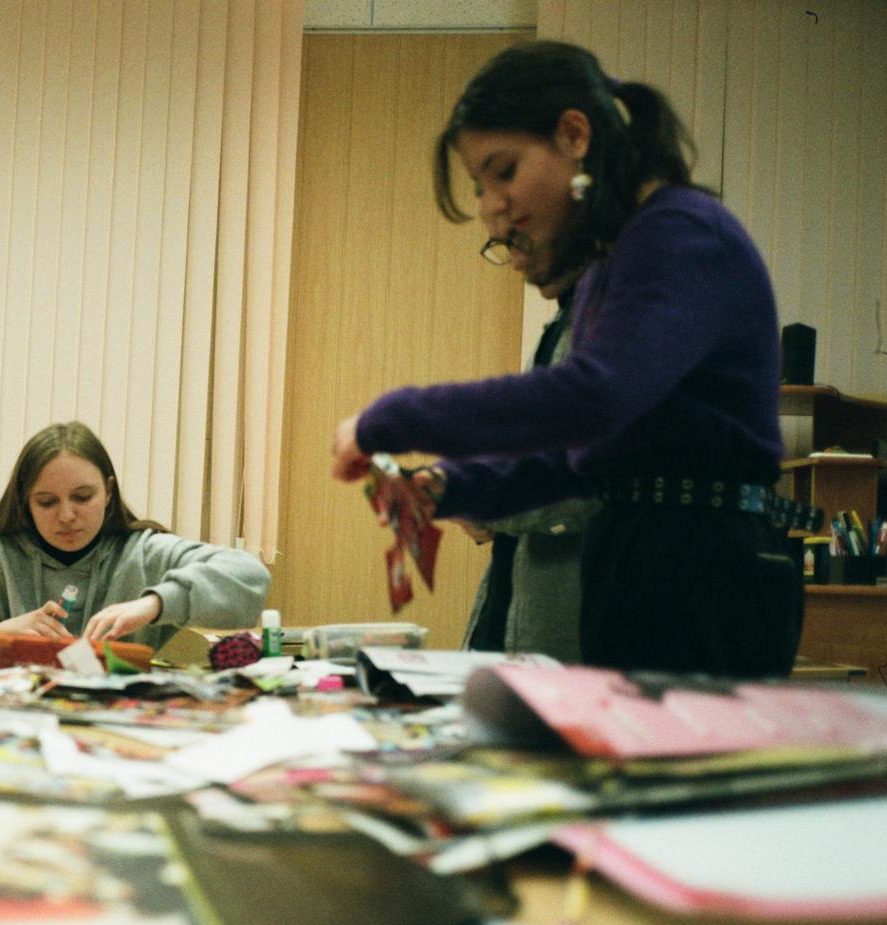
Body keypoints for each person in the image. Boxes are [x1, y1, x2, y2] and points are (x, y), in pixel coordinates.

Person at [330, 40, 814, 678]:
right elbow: (586, 463)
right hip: (644, 558)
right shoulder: (618, 259)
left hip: (702, 569)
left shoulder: (680, 231)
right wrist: (454, 484)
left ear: (574, 134)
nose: (490, 207)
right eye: (480, 186)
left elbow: (591, 398)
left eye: (503, 171)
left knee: (667, 774)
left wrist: (390, 417)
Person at [0, 422, 271, 648]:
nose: (66, 515)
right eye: (47, 502)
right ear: (25, 502)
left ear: (108, 492)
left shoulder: (143, 552)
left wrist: (156, 603)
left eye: (83, 497)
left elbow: (250, 577)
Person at [459, 260, 597, 662]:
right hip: (513, 597)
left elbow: (592, 478)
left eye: (519, 236)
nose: (517, 261)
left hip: (566, 621)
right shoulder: (565, 322)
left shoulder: (615, 327)